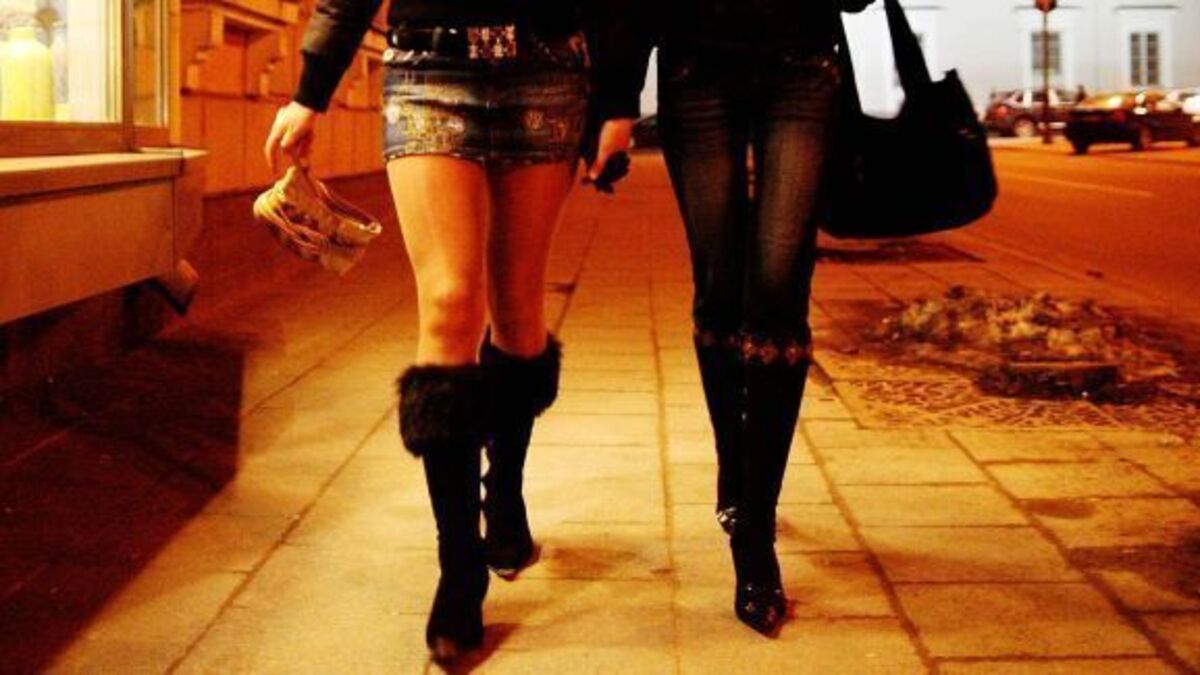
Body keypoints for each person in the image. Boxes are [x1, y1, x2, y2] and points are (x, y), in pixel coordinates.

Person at [264, 0, 592, 663]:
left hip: (547, 70)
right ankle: (460, 568)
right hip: (428, 68)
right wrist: (310, 91)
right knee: (448, 303)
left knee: (518, 307)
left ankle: (504, 494)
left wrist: (615, 101)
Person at [586, 0, 876, 637]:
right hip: (697, 71)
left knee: (778, 288)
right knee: (718, 285)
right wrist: (616, 101)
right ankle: (733, 465)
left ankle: (755, 531)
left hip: (802, 67)